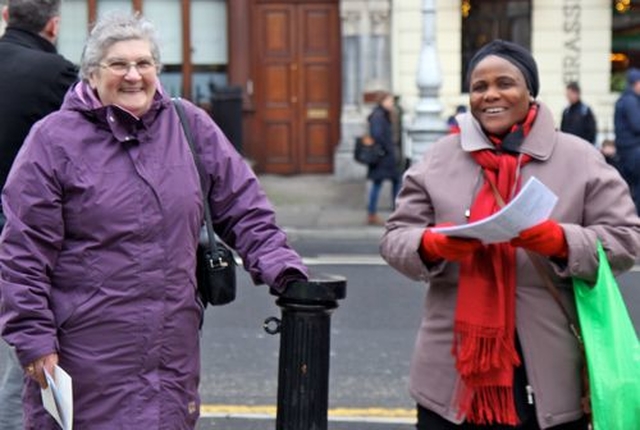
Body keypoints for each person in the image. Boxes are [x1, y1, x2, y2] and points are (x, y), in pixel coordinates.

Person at [0, 12, 308, 429]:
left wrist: (285, 271)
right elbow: (23, 252)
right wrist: (33, 339)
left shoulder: (189, 125)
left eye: (144, 64)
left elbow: (244, 208)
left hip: (169, 352)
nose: (133, 75)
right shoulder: (53, 140)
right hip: (86, 352)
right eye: (118, 64)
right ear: (91, 75)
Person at [381, 39, 640, 429]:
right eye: (479, 87)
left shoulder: (579, 157)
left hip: (551, 378)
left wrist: (560, 242)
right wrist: (431, 244)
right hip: (451, 376)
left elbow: (625, 240)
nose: (491, 95)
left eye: (505, 83)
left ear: (529, 91)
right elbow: (395, 237)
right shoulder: (438, 157)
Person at [0, 1, 77, 428]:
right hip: (22, 232)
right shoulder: (56, 75)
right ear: (53, 25)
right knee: (25, 362)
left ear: (7, 16)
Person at [366, 91, 401, 226]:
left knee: (393, 182)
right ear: (383, 101)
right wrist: (388, 148)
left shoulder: (382, 114)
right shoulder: (378, 116)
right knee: (381, 183)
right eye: (390, 101)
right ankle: (373, 213)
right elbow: (378, 135)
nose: (392, 103)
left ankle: (382, 212)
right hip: (383, 158)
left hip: (385, 157)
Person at [614, 68, 640, 214]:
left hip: (625, 151)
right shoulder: (631, 100)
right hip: (633, 151)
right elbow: (637, 125)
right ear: (635, 83)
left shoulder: (623, 99)